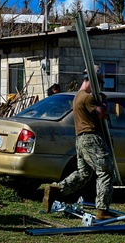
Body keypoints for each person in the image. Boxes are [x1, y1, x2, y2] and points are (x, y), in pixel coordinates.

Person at [40, 69, 115, 219]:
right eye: (99, 83)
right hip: (91, 138)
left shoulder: (77, 96)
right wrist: (104, 102)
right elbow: (102, 114)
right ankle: (102, 209)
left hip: (81, 140)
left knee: (83, 173)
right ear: (92, 81)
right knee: (105, 171)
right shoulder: (87, 98)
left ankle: (56, 190)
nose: (99, 87)